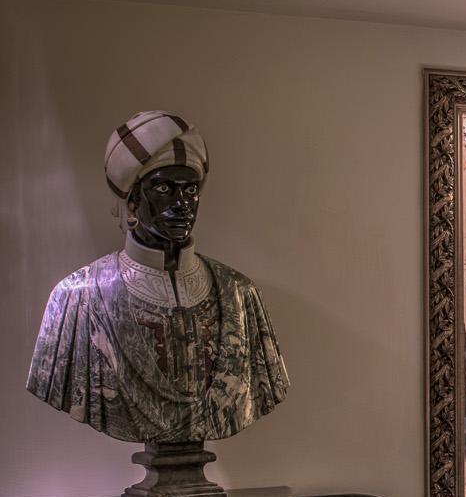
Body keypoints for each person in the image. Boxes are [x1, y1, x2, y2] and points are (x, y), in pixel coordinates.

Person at [28, 110, 289, 445]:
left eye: (191, 189)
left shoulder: (240, 293)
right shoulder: (77, 298)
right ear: (132, 199)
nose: (182, 204)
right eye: (164, 188)